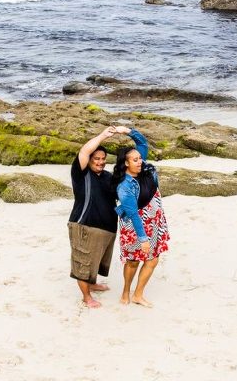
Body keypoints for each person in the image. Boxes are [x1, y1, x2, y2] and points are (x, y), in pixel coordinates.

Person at [111, 126, 170, 308]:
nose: (140, 162)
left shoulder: (143, 169)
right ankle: (126, 291)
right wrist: (142, 238)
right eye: (135, 160)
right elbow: (133, 214)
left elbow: (142, 143)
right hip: (136, 227)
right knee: (133, 261)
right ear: (126, 163)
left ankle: (138, 294)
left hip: (154, 222)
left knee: (152, 259)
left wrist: (127, 130)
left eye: (139, 158)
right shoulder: (124, 187)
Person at [68, 126, 121, 308]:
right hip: (85, 226)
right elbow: (84, 151)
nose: (100, 162)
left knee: (96, 260)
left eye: (103, 159)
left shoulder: (109, 177)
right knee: (84, 263)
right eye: (96, 158)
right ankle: (86, 297)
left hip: (107, 228)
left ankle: (92, 283)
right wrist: (103, 136)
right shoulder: (81, 174)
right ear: (89, 160)